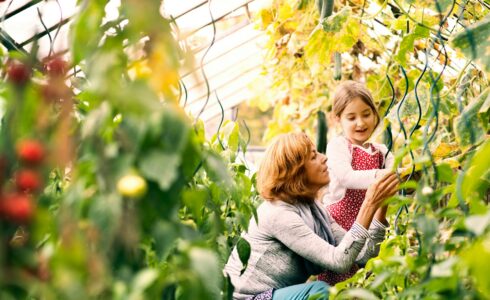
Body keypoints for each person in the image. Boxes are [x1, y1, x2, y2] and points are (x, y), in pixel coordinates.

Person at [224, 132, 399, 300]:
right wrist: (369, 204)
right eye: (314, 156)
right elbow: (339, 262)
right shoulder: (278, 214)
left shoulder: (314, 209)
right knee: (320, 292)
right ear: (295, 171)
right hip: (246, 298)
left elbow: (362, 257)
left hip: (274, 295)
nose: (324, 158)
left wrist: (381, 203)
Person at [319, 81, 395, 284]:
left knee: (365, 279)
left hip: (369, 223)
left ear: (375, 113)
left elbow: (397, 180)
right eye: (351, 118)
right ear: (338, 120)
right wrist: (384, 175)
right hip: (338, 226)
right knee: (340, 281)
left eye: (366, 114)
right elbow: (347, 177)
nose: (360, 123)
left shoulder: (382, 151)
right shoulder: (338, 146)